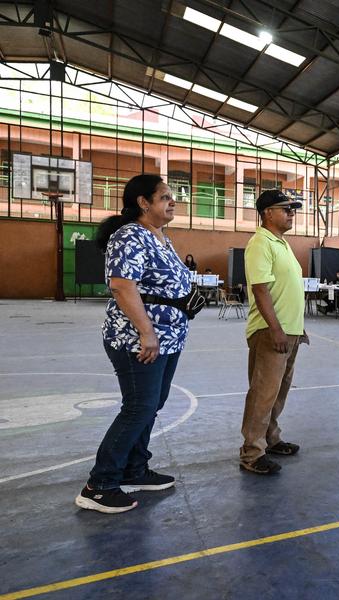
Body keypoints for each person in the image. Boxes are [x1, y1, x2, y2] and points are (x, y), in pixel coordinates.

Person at [75, 174, 190, 514]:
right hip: (137, 338)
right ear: (143, 202)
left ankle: (134, 469)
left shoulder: (160, 236)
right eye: (164, 197)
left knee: (152, 403)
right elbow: (122, 286)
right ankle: (99, 485)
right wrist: (146, 332)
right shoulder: (130, 235)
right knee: (139, 406)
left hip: (168, 337)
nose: (172, 201)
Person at [239, 189, 309, 475]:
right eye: (286, 208)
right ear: (267, 213)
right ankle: (252, 453)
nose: (292, 213)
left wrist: (295, 329)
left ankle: (270, 438)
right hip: (271, 332)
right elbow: (260, 289)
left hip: (289, 331)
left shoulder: (282, 243)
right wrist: (276, 329)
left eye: (293, 209)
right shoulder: (261, 243)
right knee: (263, 393)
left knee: (278, 391)